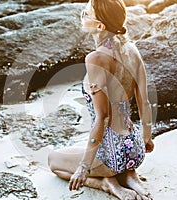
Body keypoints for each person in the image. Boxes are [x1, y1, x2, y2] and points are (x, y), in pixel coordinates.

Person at [48, 0, 154, 199]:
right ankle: (129, 175)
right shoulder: (132, 49)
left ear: (99, 26)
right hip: (135, 149)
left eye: (86, 13)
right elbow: (144, 101)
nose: (82, 15)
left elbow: (103, 118)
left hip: (111, 157)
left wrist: (84, 167)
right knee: (82, 146)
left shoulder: (96, 59)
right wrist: (147, 137)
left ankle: (106, 183)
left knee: (53, 160)